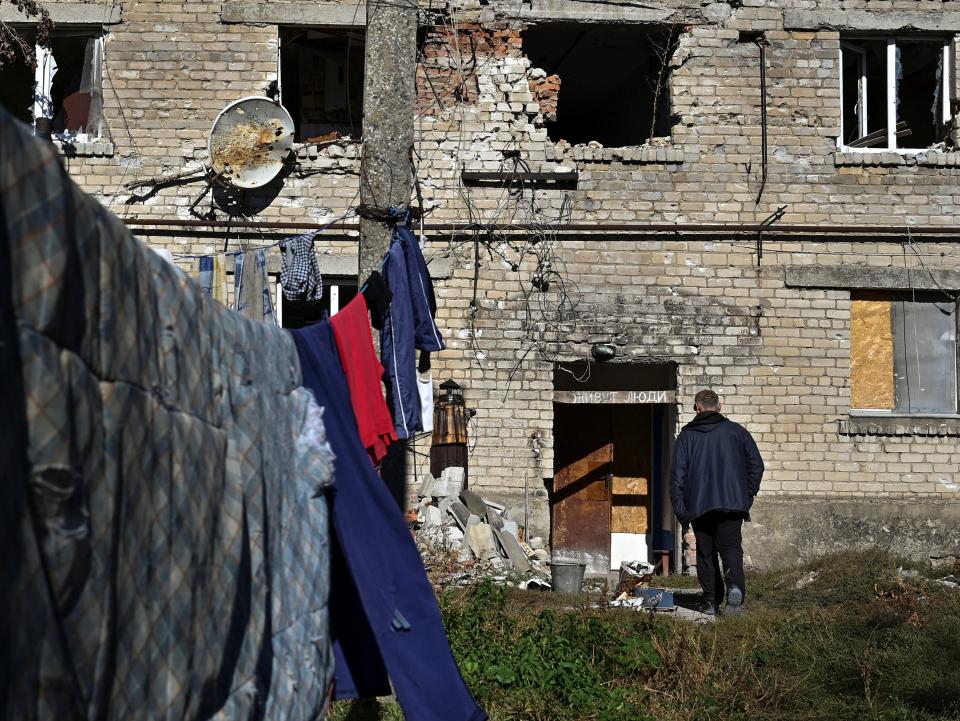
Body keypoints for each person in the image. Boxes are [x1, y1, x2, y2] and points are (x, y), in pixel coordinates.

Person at [670, 389, 764, 616]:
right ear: (719, 407)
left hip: (700, 507)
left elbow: (677, 476)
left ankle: (711, 601)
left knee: (705, 553)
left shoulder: (687, 436)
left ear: (697, 408)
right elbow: (756, 466)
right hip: (733, 505)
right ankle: (735, 590)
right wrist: (746, 495)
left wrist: (682, 512)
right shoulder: (737, 432)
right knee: (731, 550)